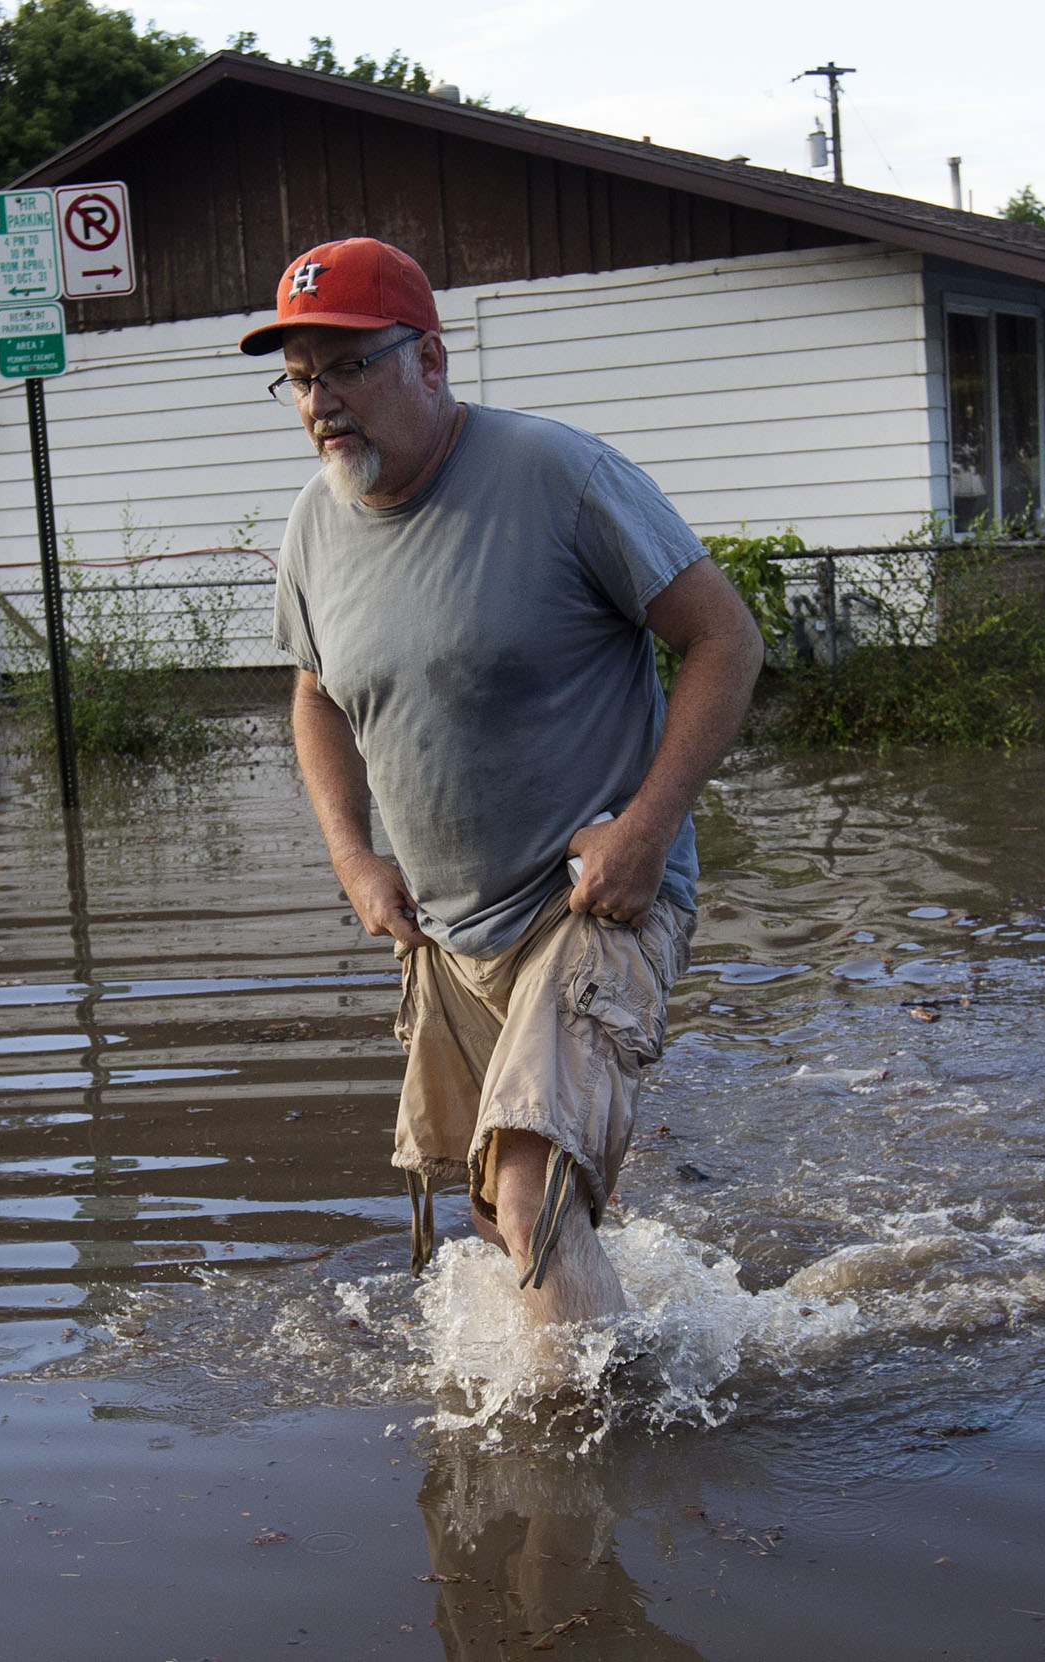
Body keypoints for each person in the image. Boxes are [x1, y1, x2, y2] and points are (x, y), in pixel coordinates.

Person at [244, 238, 763, 1331]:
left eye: (346, 367)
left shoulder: (558, 475)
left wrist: (648, 831)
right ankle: (629, 1372)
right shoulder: (313, 523)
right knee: (503, 1215)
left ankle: (575, 1466)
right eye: (298, 377)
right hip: (448, 932)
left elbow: (725, 640)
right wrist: (353, 856)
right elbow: (316, 696)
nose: (320, 402)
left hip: (593, 896)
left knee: (530, 1199)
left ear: (430, 359)